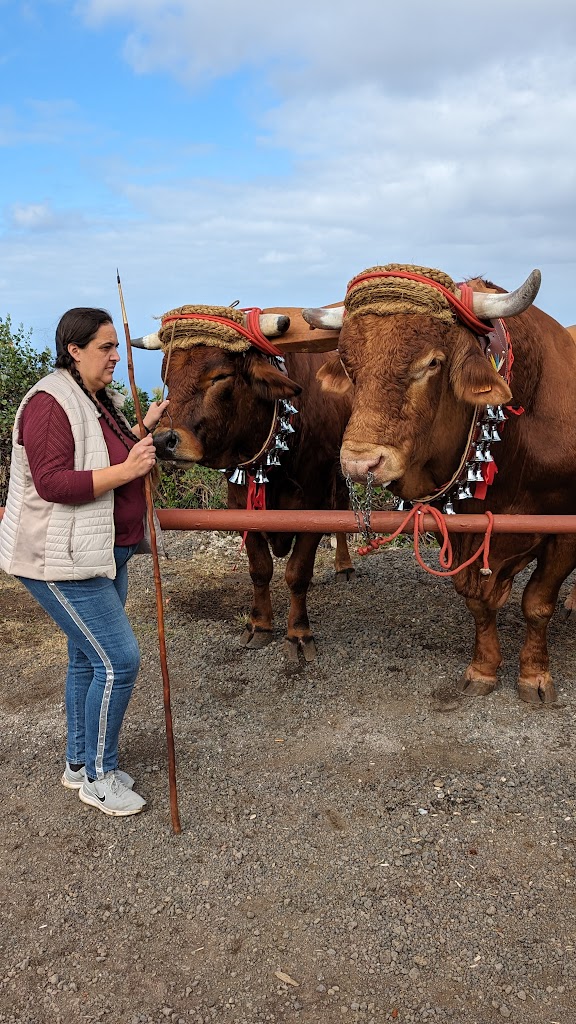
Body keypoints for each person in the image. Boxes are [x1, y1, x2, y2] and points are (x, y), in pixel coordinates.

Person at [0, 307, 169, 817]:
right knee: (119, 661)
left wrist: (145, 426)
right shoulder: (50, 402)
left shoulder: (96, 400)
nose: (117, 356)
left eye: (117, 346)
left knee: (85, 658)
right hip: (58, 558)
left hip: (100, 553)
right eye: (106, 347)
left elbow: (101, 452)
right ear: (73, 350)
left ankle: (79, 763)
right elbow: (54, 484)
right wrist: (127, 470)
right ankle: (100, 775)